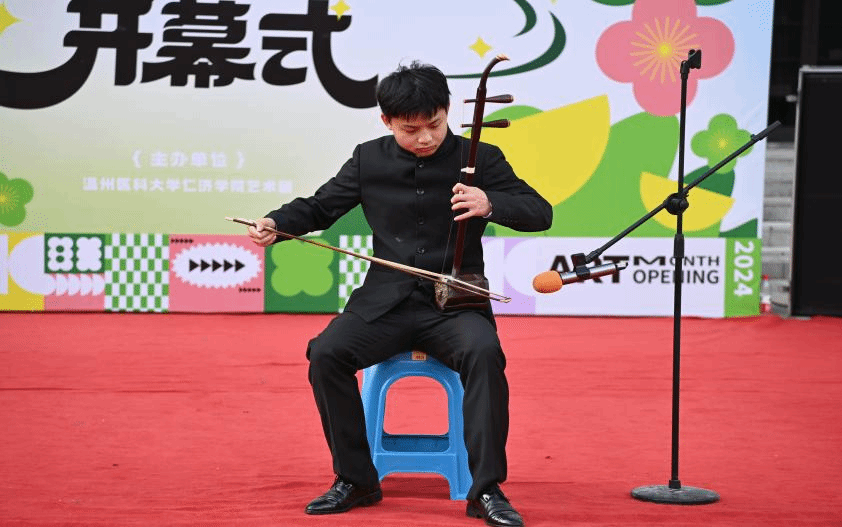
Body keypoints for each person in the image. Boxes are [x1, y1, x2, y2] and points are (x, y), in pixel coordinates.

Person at [247, 61, 552, 527]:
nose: (425, 137)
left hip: (455, 303)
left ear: (447, 111)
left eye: (435, 124)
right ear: (386, 121)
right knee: (327, 353)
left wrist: (491, 203)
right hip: (384, 302)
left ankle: (486, 489)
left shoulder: (481, 157)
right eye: (411, 129)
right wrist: (277, 223)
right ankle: (356, 479)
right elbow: (321, 206)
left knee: (485, 353)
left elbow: (540, 212)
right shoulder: (368, 159)